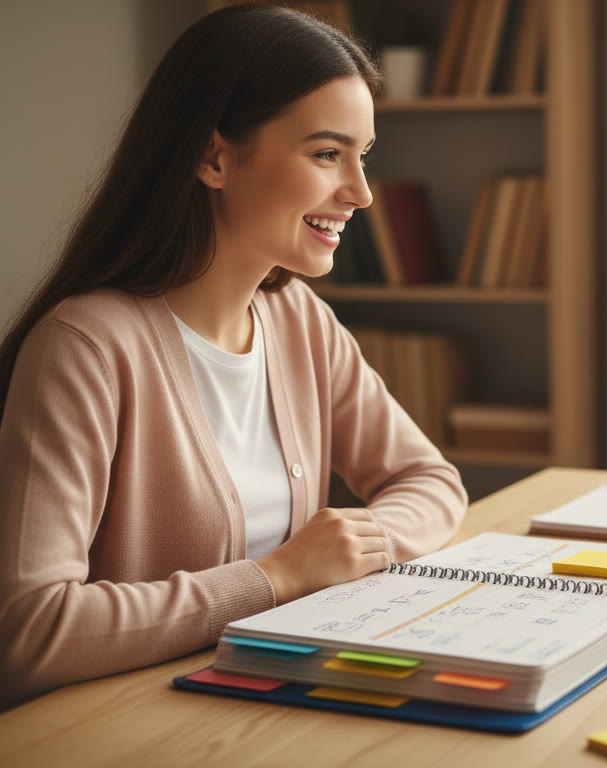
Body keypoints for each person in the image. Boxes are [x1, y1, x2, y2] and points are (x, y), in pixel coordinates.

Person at [0, 5, 467, 707]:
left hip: (259, 706)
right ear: (214, 157)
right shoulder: (86, 347)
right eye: (325, 154)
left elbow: (430, 481)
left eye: (362, 156)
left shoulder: (298, 321)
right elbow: (30, 631)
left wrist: (351, 550)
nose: (361, 192)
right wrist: (277, 579)